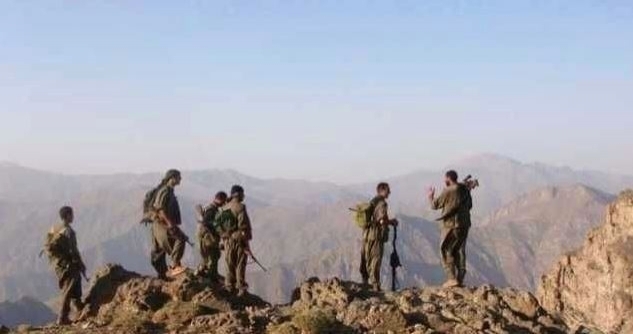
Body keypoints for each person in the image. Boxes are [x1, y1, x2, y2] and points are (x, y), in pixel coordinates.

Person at [428, 170, 472, 288]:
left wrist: (430, 196)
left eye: (445, 179)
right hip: (465, 225)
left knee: (445, 250)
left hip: (452, 226)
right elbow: (470, 205)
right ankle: (459, 278)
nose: (444, 181)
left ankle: (451, 278)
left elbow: (434, 205)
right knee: (456, 250)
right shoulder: (465, 189)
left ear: (448, 178)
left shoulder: (448, 190)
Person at [45, 206, 86, 325]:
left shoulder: (56, 228)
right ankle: (62, 318)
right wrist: (81, 264)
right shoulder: (68, 231)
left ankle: (79, 308)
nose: (73, 216)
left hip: (57, 264)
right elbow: (74, 250)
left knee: (75, 281)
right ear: (67, 215)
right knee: (68, 288)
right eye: (72, 214)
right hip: (66, 264)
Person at [360, 182, 399, 292]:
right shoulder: (382, 203)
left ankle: (365, 283)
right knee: (376, 260)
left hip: (367, 235)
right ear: (382, 190)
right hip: (376, 236)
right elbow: (382, 220)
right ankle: (376, 286)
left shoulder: (372, 201)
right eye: (388, 190)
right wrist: (392, 222)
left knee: (366, 258)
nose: (389, 192)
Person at [150, 169, 187, 279]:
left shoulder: (169, 191)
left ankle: (162, 275)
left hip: (161, 224)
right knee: (180, 239)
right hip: (161, 224)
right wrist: (170, 224)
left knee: (160, 250)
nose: (180, 179)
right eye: (178, 177)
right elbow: (160, 209)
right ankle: (175, 265)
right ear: (172, 178)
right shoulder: (165, 191)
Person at [220, 185, 252, 296]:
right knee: (240, 263)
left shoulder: (224, 207)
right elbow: (243, 226)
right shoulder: (241, 207)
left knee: (229, 263)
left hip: (227, 240)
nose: (244, 196)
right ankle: (241, 287)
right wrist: (246, 245)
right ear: (238, 194)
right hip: (239, 240)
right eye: (242, 193)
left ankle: (229, 285)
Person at [196, 191, 228, 281]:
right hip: (207, 236)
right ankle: (210, 275)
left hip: (207, 235)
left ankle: (210, 273)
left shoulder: (212, 207)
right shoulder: (211, 209)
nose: (224, 203)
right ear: (221, 200)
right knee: (213, 255)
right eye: (224, 201)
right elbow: (207, 222)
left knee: (214, 254)